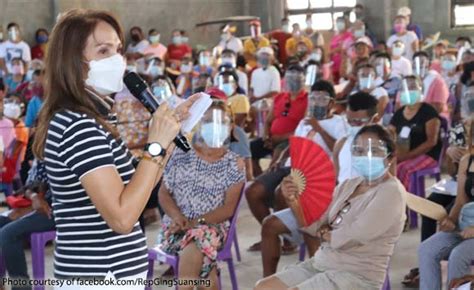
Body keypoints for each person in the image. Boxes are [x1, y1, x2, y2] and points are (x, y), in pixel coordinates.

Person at [32, 9, 196, 288]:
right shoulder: (77, 126)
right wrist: (155, 145)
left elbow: (136, 190)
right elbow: (121, 218)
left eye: (118, 50)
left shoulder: (94, 120)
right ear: (74, 61)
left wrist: (167, 142)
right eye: (104, 50)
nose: (117, 60)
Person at [255, 124, 407, 290]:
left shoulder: (391, 192)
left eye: (374, 151)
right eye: (359, 151)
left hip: (356, 275)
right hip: (322, 263)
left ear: (390, 157)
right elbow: (315, 224)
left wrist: (326, 232)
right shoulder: (348, 185)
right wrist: (293, 201)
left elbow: (355, 235)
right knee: (263, 287)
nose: (366, 157)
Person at [259, 80, 347, 276]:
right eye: (313, 98)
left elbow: (339, 151)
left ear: (332, 103)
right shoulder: (303, 123)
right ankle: (268, 281)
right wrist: (282, 159)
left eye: (322, 99)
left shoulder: (339, 123)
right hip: (302, 186)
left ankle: (318, 277)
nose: (317, 103)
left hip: (325, 192)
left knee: (311, 228)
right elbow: (297, 149)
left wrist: (320, 128)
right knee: (269, 223)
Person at [157, 102, 245, 290]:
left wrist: (196, 221)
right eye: (207, 121)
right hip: (175, 226)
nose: (214, 126)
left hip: (212, 226)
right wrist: (178, 217)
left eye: (221, 122)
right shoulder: (181, 154)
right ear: (199, 124)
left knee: (198, 237)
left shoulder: (234, 164)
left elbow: (228, 208)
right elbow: (164, 194)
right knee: (204, 257)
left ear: (230, 127)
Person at [247, 65, 308, 229]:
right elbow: (268, 120)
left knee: (279, 156)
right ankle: (261, 179)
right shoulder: (280, 97)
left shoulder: (308, 99)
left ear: (304, 79)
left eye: (297, 78)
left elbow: (303, 129)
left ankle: (270, 187)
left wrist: (279, 138)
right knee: (250, 149)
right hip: (273, 138)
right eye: (289, 77)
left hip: (289, 141)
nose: (292, 81)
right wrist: (266, 135)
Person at [418, 122, 474, 290]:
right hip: (465, 226)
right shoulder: (467, 160)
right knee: (426, 249)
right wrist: (450, 219)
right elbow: (461, 200)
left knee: (458, 255)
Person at [0, 159, 55, 290]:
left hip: (57, 211)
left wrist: (31, 207)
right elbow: (29, 186)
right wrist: (34, 197)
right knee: (5, 225)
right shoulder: (42, 153)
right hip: (37, 206)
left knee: (8, 234)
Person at [389, 75, 442, 192]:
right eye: (405, 87)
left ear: (421, 90)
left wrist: (406, 156)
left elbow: (431, 142)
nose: (408, 90)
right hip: (403, 153)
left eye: (412, 87)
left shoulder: (428, 112)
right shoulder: (399, 113)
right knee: (387, 166)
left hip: (428, 155)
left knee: (403, 169)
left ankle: (406, 205)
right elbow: (389, 134)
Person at [333, 92, 378, 183]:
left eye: (358, 122)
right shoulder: (341, 144)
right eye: (349, 121)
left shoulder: (381, 148)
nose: (352, 125)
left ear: (373, 119)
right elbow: (336, 179)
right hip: (344, 194)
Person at [412, 51, 450, 121]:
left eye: (422, 63)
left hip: (433, 119)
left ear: (429, 65)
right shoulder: (409, 81)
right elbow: (399, 104)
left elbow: (438, 108)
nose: (419, 66)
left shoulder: (438, 82)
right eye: (416, 63)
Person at [329, 16, 353, 83]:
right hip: (334, 66)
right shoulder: (335, 37)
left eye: (341, 22)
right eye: (338, 22)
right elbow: (331, 49)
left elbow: (343, 48)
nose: (339, 24)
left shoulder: (349, 35)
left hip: (344, 65)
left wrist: (334, 51)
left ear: (345, 23)